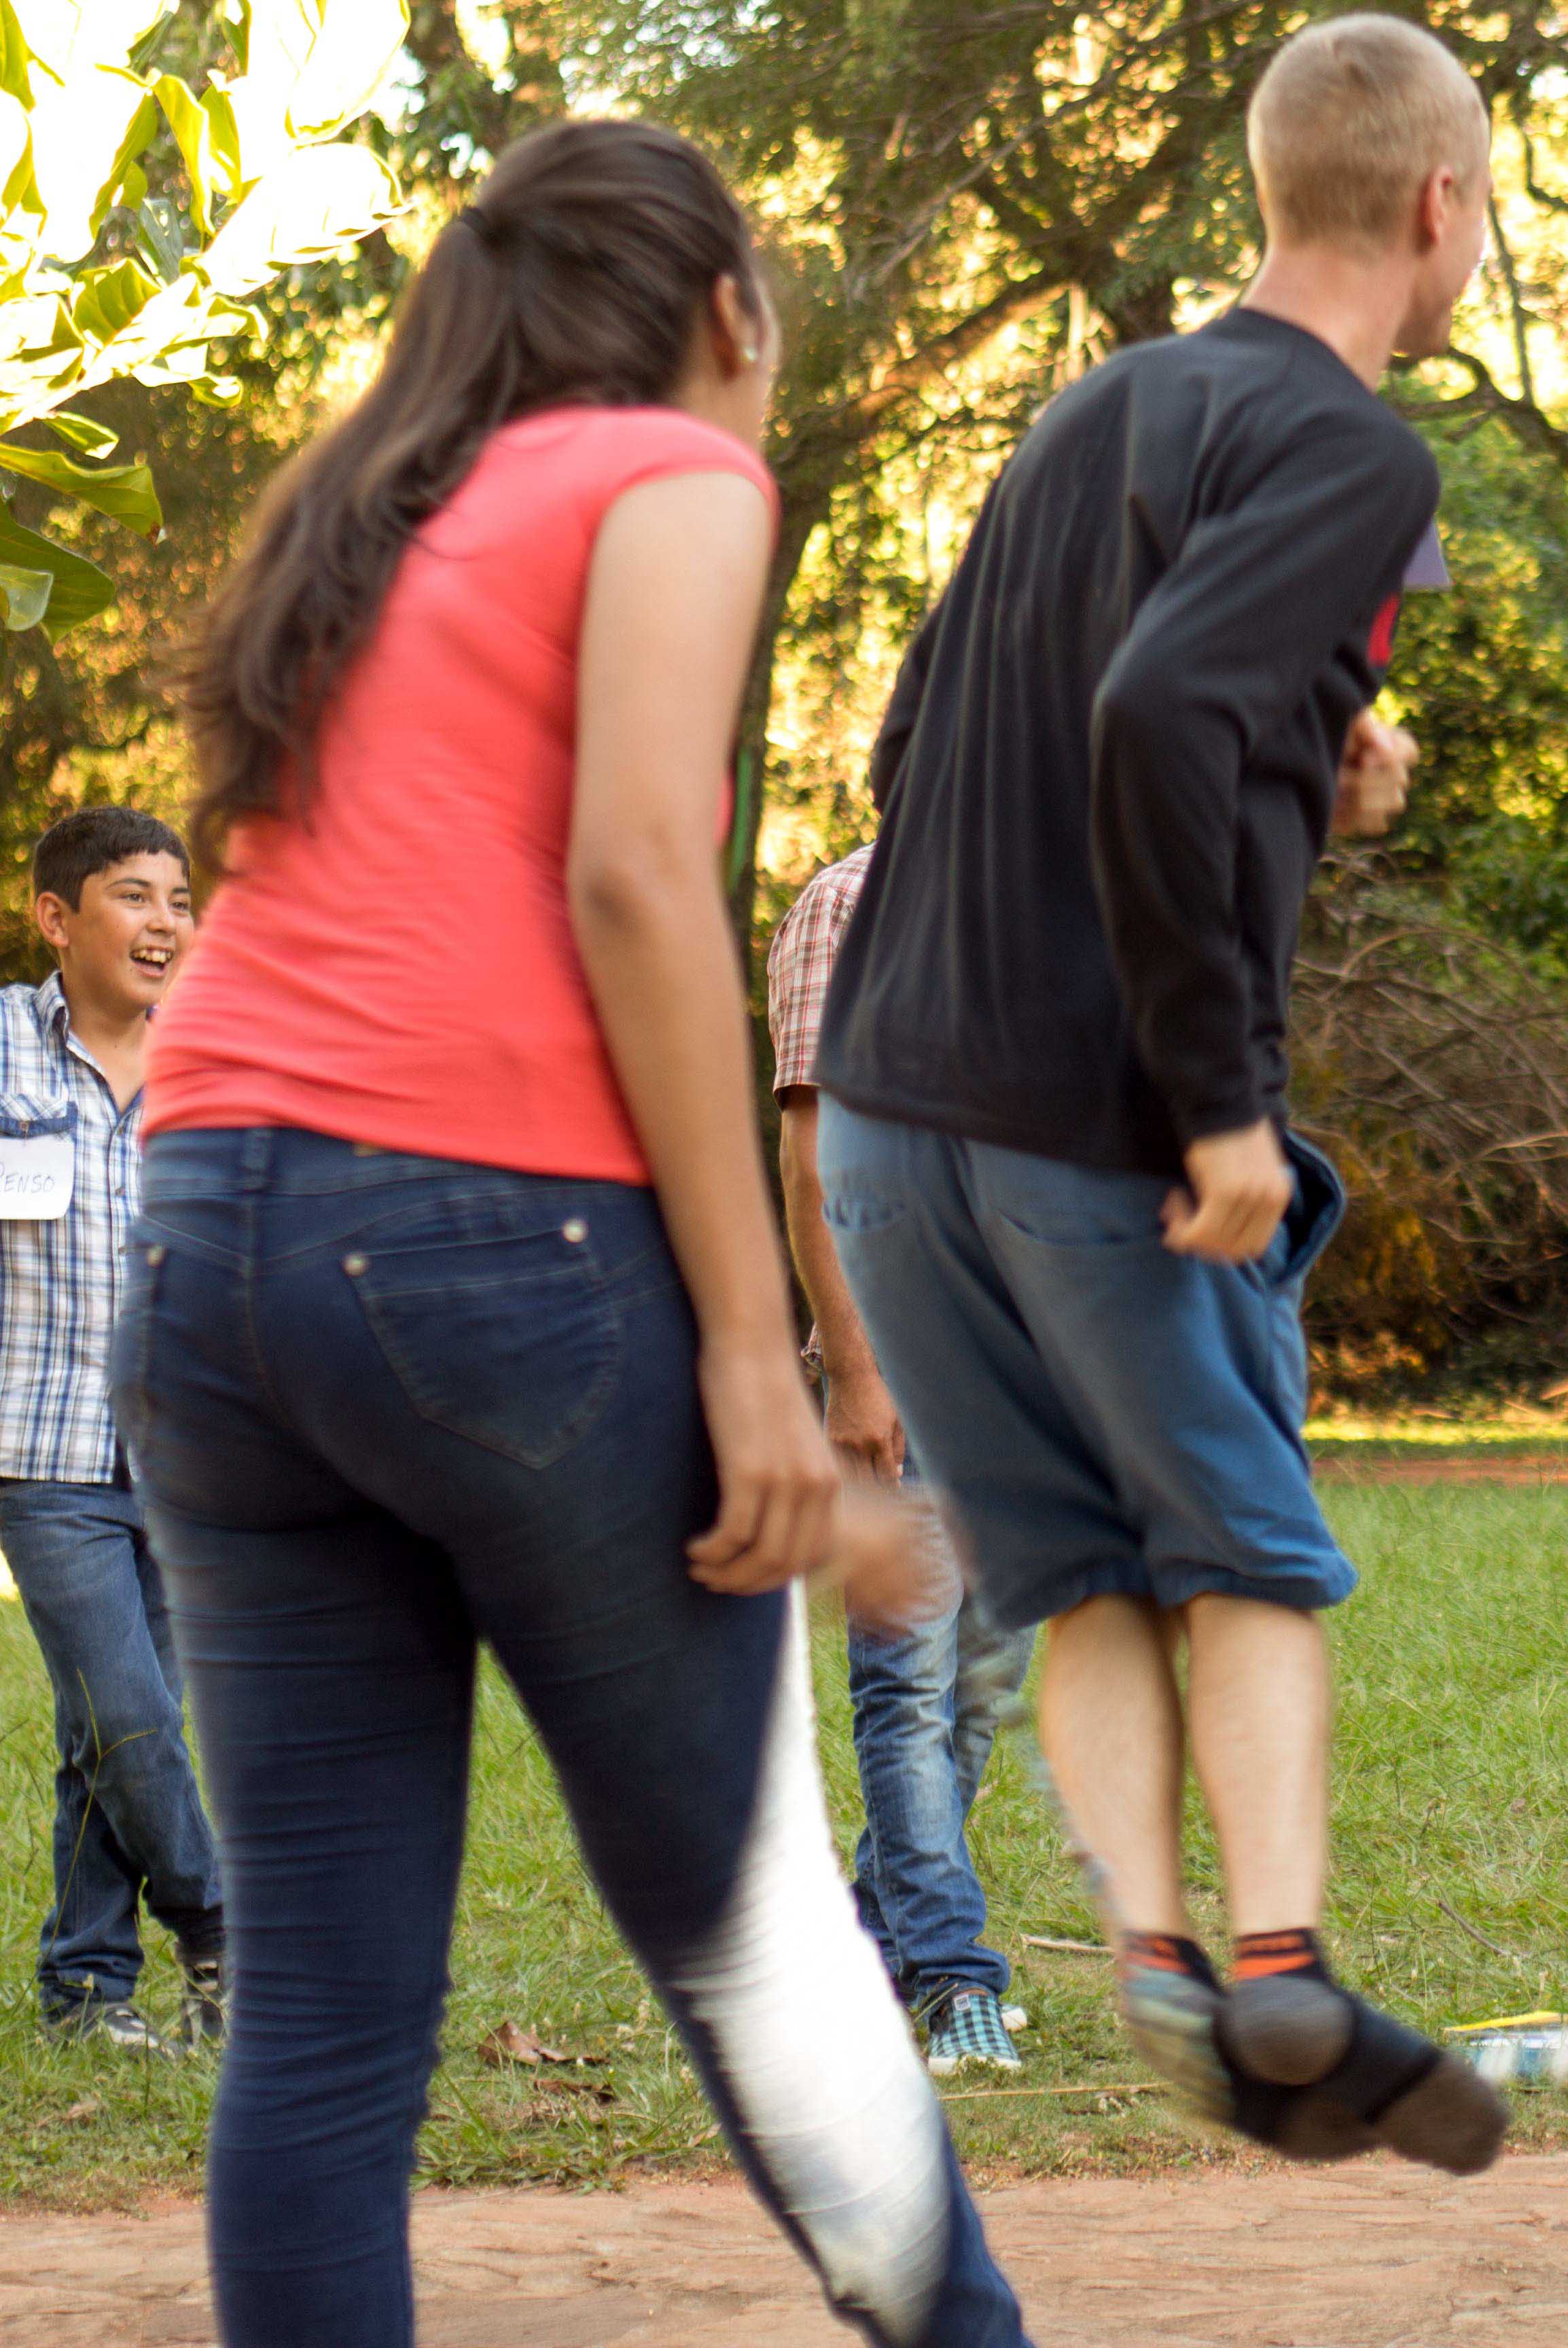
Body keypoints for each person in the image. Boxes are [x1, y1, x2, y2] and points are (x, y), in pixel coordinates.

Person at [139, 118, 1031, 2344]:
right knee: (751, 1948)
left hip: (211, 1251)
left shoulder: (370, 506)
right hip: (481, 1249)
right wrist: (756, 1342)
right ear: (728, 312)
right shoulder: (671, 470)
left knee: (327, 2009)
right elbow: (638, 874)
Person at [807, 12, 1499, 2171]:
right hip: (1095, 1116)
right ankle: (1281, 1970)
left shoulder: (1093, 407)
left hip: (888, 1117)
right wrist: (1213, 1101)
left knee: (1071, 1571)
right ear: (1437, 210)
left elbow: (930, 755)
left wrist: (1324, 775)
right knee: (1247, 1559)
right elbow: (1163, 704)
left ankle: (1154, 1959)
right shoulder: (1362, 451)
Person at [769, 842, 1033, 2076]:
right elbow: (817, 1158)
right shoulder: (851, 903)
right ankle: (950, 1975)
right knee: (910, 1686)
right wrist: (859, 1373)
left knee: (980, 1685)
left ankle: (868, 1955)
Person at [1, 808, 224, 2054]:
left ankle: (89, 1989)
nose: (164, 925)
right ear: (57, 917)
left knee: (110, 1736)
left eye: (179, 901)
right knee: (131, 1714)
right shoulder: (2, 1054)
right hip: (44, 1449)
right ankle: (228, 1930)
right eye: (135, 897)